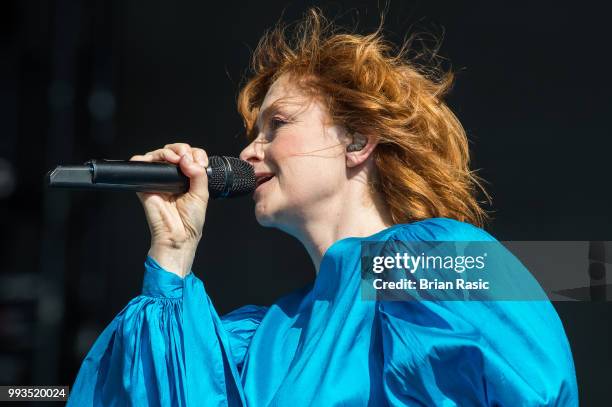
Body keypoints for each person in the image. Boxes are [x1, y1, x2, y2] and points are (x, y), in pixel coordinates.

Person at [67, 9, 578, 406]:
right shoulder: (262, 336)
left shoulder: (434, 261)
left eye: (277, 124)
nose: (248, 151)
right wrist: (173, 256)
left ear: (357, 141)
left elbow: (528, 383)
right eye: (253, 132)